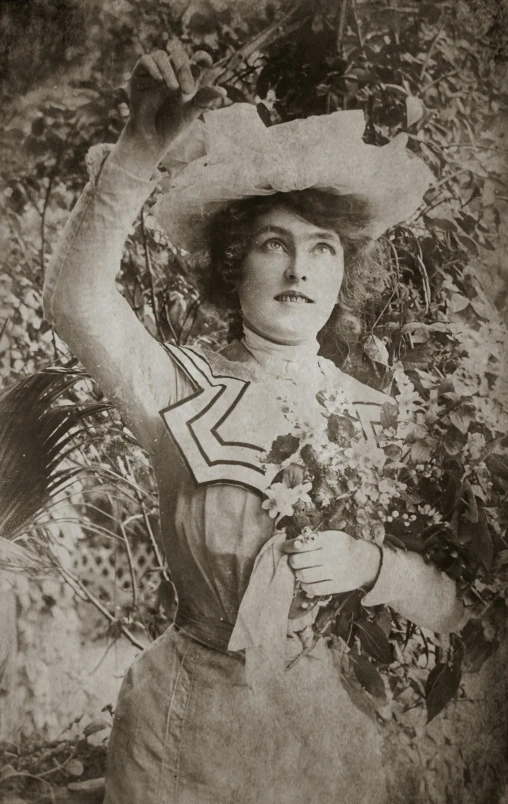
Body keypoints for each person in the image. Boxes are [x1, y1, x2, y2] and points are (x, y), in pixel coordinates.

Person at [43, 44, 468, 804]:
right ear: (233, 262)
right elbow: (75, 302)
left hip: (326, 738)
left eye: (321, 250)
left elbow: (459, 605)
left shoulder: (382, 417)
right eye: (275, 245)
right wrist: (141, 146)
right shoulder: (177, 386)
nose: (300, 272)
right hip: (183, 733)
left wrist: (374, 567)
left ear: (343, 272)